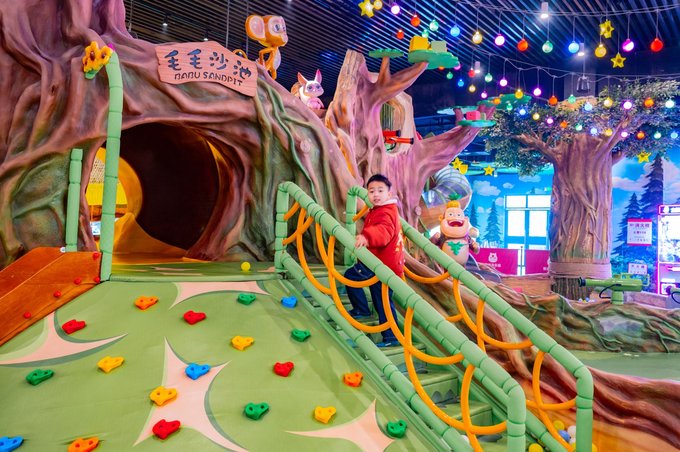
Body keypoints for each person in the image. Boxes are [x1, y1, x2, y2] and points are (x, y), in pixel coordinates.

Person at [344, 174, 405, 347]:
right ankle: (391, 337)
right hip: (384, 264)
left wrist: (367, 237)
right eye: (371, 191)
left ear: (389, 194)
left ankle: (362, 309)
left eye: (380, 191)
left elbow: (383, 231)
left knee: (351, 276)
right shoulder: (380, 209)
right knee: (382, 300)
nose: (375, 194)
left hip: (380, 264)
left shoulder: (386, 211)